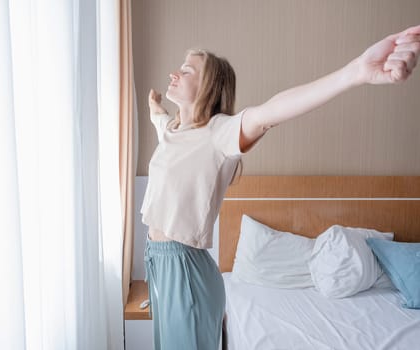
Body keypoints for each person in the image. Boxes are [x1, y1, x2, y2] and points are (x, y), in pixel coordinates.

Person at [141, 25, 420, 350]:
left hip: (184, 268)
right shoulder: (175, 130)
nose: (175, 72)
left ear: (207, 86)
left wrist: (355, 71)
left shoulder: (219, 132)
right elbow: (160, 121)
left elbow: (271, 112)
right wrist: (155, 107)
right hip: (158, 262)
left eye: (187, 70)